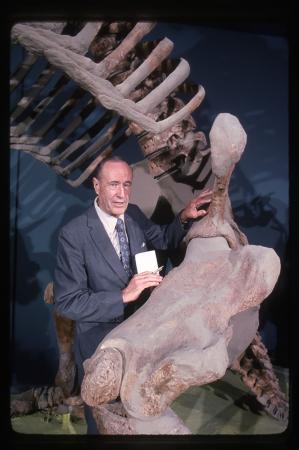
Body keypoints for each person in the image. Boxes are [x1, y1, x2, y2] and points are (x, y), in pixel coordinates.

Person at [53, 156, 212, 434]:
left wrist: (184, 217)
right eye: (114, 185)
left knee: (141, 415)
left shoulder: (134, 213)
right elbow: (68, 302)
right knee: (104, 421)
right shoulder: (73, 234)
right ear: (96, 186)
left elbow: (162, 238)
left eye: (127, 184)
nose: (122, 193)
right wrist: (123, 295)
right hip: (101, 344)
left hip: (142, 336)